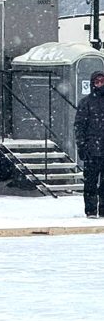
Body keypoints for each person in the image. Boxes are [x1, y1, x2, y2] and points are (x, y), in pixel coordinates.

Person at [74, 70, 104, 218]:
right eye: (96, 82)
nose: (99, 84)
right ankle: (91, 210)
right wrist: (81, 146)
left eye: (101, 81)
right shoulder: (85, 103)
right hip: (92, 151)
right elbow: (79, 126)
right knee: (90, 183)